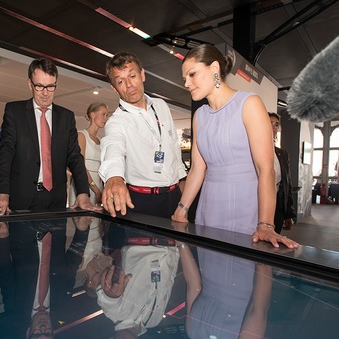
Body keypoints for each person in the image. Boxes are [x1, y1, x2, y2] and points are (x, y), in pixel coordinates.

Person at [171, 44, 297, 249]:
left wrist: (265, 225)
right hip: (209, 206)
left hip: (245, 205)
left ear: (214, 68)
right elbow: (197, 169)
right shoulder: (200, 115)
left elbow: (265, 169)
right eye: (184, 78)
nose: (187, 83)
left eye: (192, 74)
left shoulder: (249, 103)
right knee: (209, 259)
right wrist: (181, 209)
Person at [0, 58, 99, 215]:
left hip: (56, 200)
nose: (45, 93)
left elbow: (74, 157)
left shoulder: (66, 117)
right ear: (30, 84)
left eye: (50, 86)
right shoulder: (14, 112)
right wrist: (1, 192)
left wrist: (83, 193)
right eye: (39, 86)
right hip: (21, 198)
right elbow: (5, 152)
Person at [99, 52, 186, 218]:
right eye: (120, 81)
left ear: (142, 75)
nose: (129, 85)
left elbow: (174, 144)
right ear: (114, 88)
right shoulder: (116, 122)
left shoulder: (161, 105)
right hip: (142, 201)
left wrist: (182, 179)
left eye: (132, 76)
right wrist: (114, 177)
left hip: (174, 196)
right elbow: (113, 148)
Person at [172, 247, 273, 339]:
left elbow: (193, 284)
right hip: (246, 259)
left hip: (211, 249)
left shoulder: (192, 331)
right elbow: (259, 310)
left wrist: (181, 242)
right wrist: (263, 257)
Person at [68, 102, 108, 206]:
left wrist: (101, 191)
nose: (105, 118)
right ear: (93, 115)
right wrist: (96, 190)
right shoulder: (82, 135)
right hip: (83, 186)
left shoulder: (101, 141)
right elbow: (80, 165)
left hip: (99, 186)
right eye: (103, 114)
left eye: (107, 115)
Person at [269, 112, 296, 233]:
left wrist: (288, 214)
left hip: (278, 207)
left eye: (276, 124)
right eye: (270, 123)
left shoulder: (282, 154)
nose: (274, 127)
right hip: (257, 207)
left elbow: (286, 184)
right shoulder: (251, 150)